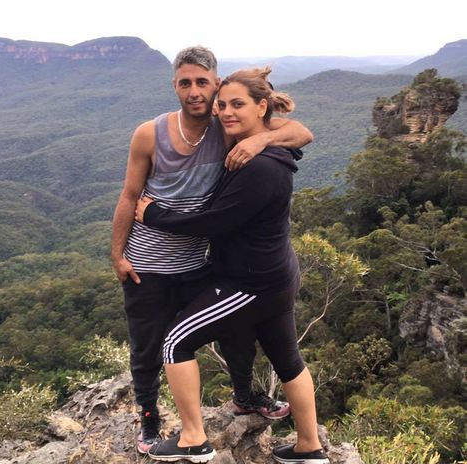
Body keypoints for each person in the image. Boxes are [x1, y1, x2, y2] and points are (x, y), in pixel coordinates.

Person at [110, 46, 314, 454]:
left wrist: (263, 141)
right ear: (175, 86)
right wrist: (117, 253)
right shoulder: (151, 133)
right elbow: (130, 195)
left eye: (203, 82)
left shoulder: (229, 129)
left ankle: (245, 396)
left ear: (215, 84)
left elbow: (302, 132)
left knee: (234, 334)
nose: (194, 91)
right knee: (149, 345)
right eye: (185, 83)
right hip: (149, 262)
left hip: (199, 262)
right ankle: (149, 419)